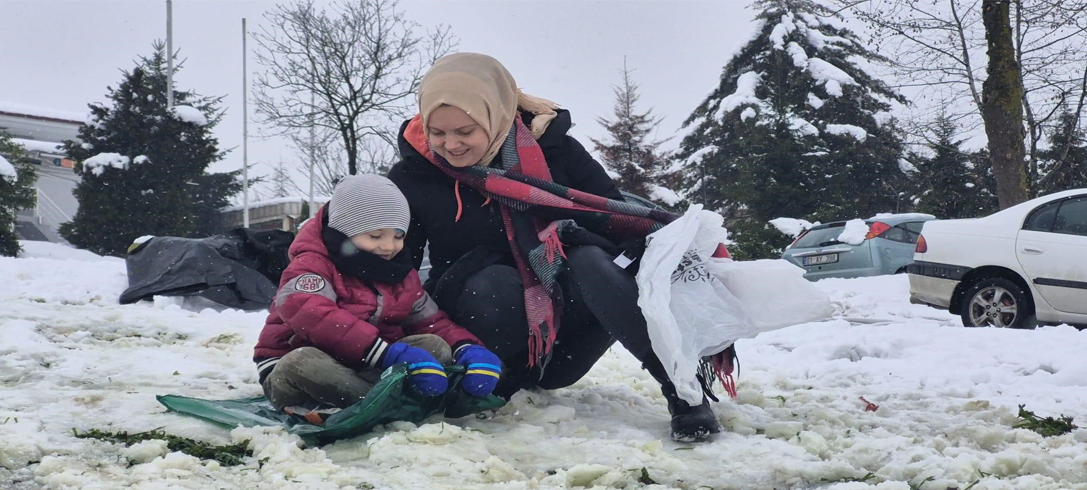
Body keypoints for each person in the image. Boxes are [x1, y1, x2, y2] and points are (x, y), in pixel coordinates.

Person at [387, 53, 732, 441]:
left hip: (565, 340)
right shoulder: (414, 175)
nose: (450, 145)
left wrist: (611, 245)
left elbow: (610, 216)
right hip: (482, 338)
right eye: (438, 133)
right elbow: (394, 266)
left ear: (495, 114)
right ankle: (484, 385)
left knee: (590, 258)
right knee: (494, 279)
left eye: (465, 131)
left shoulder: (556, 152)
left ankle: (682, 390)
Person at [252, 174, 503, 419]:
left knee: (433, 344)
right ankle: (388, 406)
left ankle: (379, 402)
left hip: (364, 366)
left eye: (398, 235)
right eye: (375, 236)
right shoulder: (312, 265)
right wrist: (385, 353)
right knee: (305, 361)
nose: (388, 246)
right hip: (296, 373)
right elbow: (310, 312)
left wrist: (467, 348)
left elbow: (431, 321)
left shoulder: (398, 273)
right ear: (344, 231)